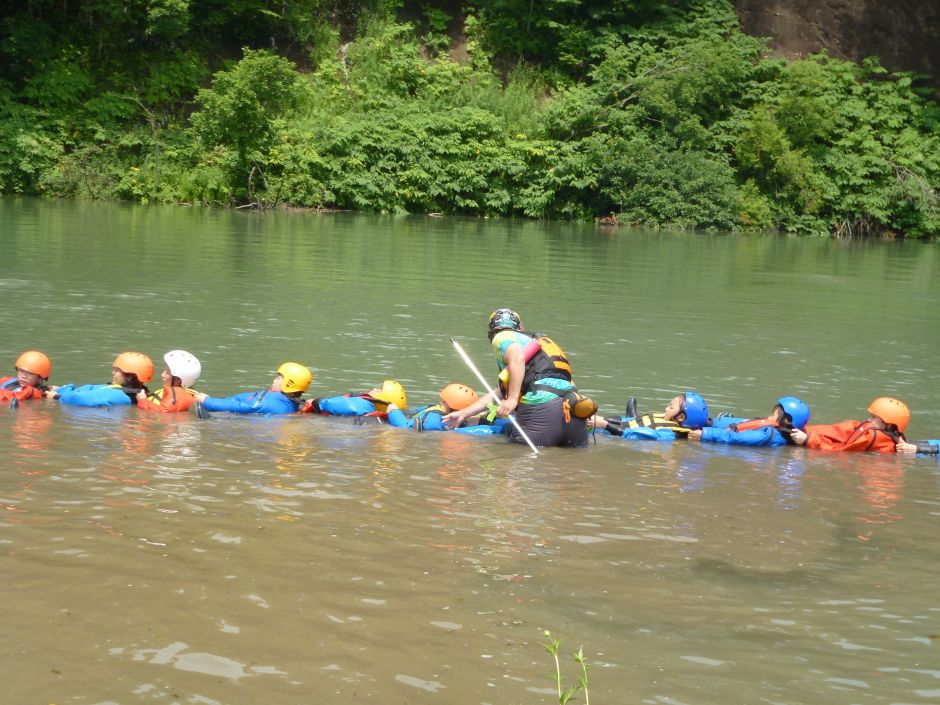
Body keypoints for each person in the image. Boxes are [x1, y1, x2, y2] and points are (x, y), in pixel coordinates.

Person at [443, 308, 591, 447]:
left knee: (519, 458)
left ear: (492, 331)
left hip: (542, 407)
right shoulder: (539, 346)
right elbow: (497, 394)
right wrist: (463, 414)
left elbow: (517, 357)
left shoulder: (501, 337)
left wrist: (512, 399)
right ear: (520, 328)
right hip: (573, 409)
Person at [789, 397, 909, 454]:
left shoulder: (870, 438)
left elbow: (839, 451)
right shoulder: (893, 437)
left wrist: (807, 440)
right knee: (851, 425)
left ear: (888, 424)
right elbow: (839, 431)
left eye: (873, 417)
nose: (869, 419)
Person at [688, 396, 811, 447]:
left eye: (774, 414)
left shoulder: (768, 435)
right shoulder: (772, 429)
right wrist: (712, 422)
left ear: (785, 421)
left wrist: (706, 434)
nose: (769, 416)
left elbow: (736, 438)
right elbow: (743, 423)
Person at [386, 383, 508, 434]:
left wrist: (393, 411)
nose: (440, 402)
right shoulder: (433, 411)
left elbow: (405, 426)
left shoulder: (435, 419)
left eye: (443, 401)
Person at [193, 362, 311, 415]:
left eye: (279, 378)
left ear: (289, 384)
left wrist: (207, 401)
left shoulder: (269, 402)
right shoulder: (291, 404)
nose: (274, 380)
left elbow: (246, 407)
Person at [591, 391, 710, 441]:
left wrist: (604, 424)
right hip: (627, 425)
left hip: (620, 434)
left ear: (681, 417)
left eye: (671, 407)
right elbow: (631, 422)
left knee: (600, 429)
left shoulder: (668, 434)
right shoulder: (667, 419)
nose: (666, 409)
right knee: (621, 419)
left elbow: (628, 433)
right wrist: (602, 419)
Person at [49, 352, 153, 407]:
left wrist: (56, 396)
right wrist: (64, 389)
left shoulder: (119, 395)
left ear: (129, 377)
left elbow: (78, 398)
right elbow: (90, 388)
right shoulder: (130, 391)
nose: (113, 372)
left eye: (117, 370)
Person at [303, 380, 407, 421]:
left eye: (379, 390)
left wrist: (314, 402)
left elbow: (328, 404)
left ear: (383, 400)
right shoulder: (378, 418)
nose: (375, 389)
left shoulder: (361, 405)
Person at [136, 350, 202, 413]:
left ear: (178, 380)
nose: (162, 375)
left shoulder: (177, 393)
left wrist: (142, 399)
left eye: (167, 372)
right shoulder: (189, 393)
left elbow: (163, 412)